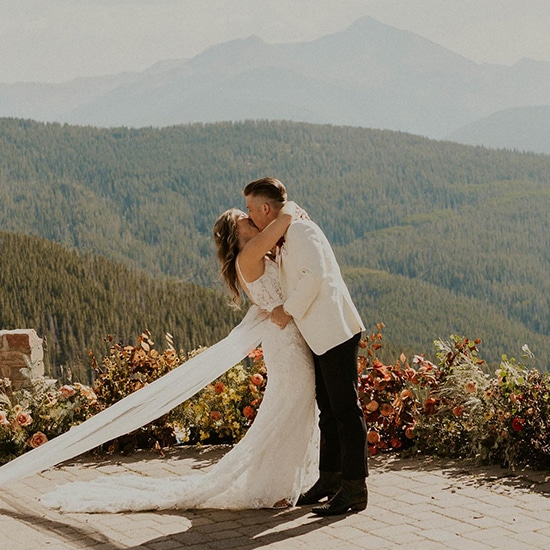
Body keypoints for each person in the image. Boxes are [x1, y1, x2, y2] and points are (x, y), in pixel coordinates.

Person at [36, 202, 319, 513]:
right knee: (287, 409)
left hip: (287, 337)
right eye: (244, 220)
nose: (252, 220)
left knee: (291, 408)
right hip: (285, 342)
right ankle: (273, 486)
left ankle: (279, 483)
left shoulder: (255, 253)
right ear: (234, 235)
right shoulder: (250, 254)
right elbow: (283, 223)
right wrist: (290, 209)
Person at [244, 177, 367, 516]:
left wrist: (286, 310)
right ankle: (330, 479)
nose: (249, 215)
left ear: (266, 208)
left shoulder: (300, 231)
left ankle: (355, 489)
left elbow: (316, 276)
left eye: (252, 208)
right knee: (329, 410)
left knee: (345, 411)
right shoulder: (288, 232)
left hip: (335, 330)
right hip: (319, 333)